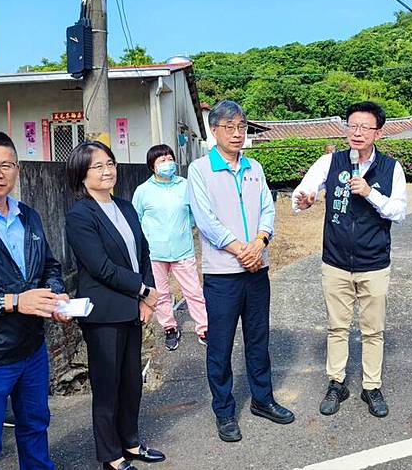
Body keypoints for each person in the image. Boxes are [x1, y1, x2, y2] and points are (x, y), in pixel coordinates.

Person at [0, 130, 70, 469]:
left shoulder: (27, 215)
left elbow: (49, 265)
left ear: (17, 169)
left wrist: (54, 295)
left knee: (36, 427)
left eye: (6, 164)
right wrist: (15, 302)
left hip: (33, 348)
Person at [188, 100, 295, 443]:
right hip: (222, 275)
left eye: (242, 127)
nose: (237, 133)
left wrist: (260, 243)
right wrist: (240, 250)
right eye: (229, 127)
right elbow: (206, 220)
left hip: (256, 269)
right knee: (220, 346)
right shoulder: (200, 170)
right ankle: (224, 411)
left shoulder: (255, 168)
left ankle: (263, 400)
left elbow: (268, 208)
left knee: (258, 340)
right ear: (214, 131)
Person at [292, 101, 407, 418]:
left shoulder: (390, 168)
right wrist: (304, 199)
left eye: (364, 127)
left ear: (377, 132)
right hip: (336, 262)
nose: (356, 132)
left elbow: (399, 211)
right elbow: (302, 193)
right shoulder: (331, 162)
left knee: (373, 331)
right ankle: (336, 383)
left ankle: (372, 386)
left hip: (374, 263)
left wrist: (370, 193)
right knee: (337, 328)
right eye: (352, 126)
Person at [65, 142, 165, 470]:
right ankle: (110, 455)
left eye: (110, 163)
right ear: (81, 174)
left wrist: (146, 294)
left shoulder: (125, 206)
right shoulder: (80, 214)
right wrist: (142, 290)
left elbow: (143, 252)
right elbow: (100, 267)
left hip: (132, 308)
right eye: (98, 166)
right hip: (104, 314)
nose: (108, 171)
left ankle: (131, 442)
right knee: (108, 387)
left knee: (132, 383)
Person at [132, 144, 208, 351]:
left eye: (169, 158)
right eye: (161, 160)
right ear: (152, 166)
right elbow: (135, 220)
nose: (167, 163)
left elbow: (195, 212)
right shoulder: (143, 191)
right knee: (161, 294)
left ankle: (204, 328)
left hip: (183, 249)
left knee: (193, 291)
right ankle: (169, 328)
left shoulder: (185, 185)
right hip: (155, 253)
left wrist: (186, 227)